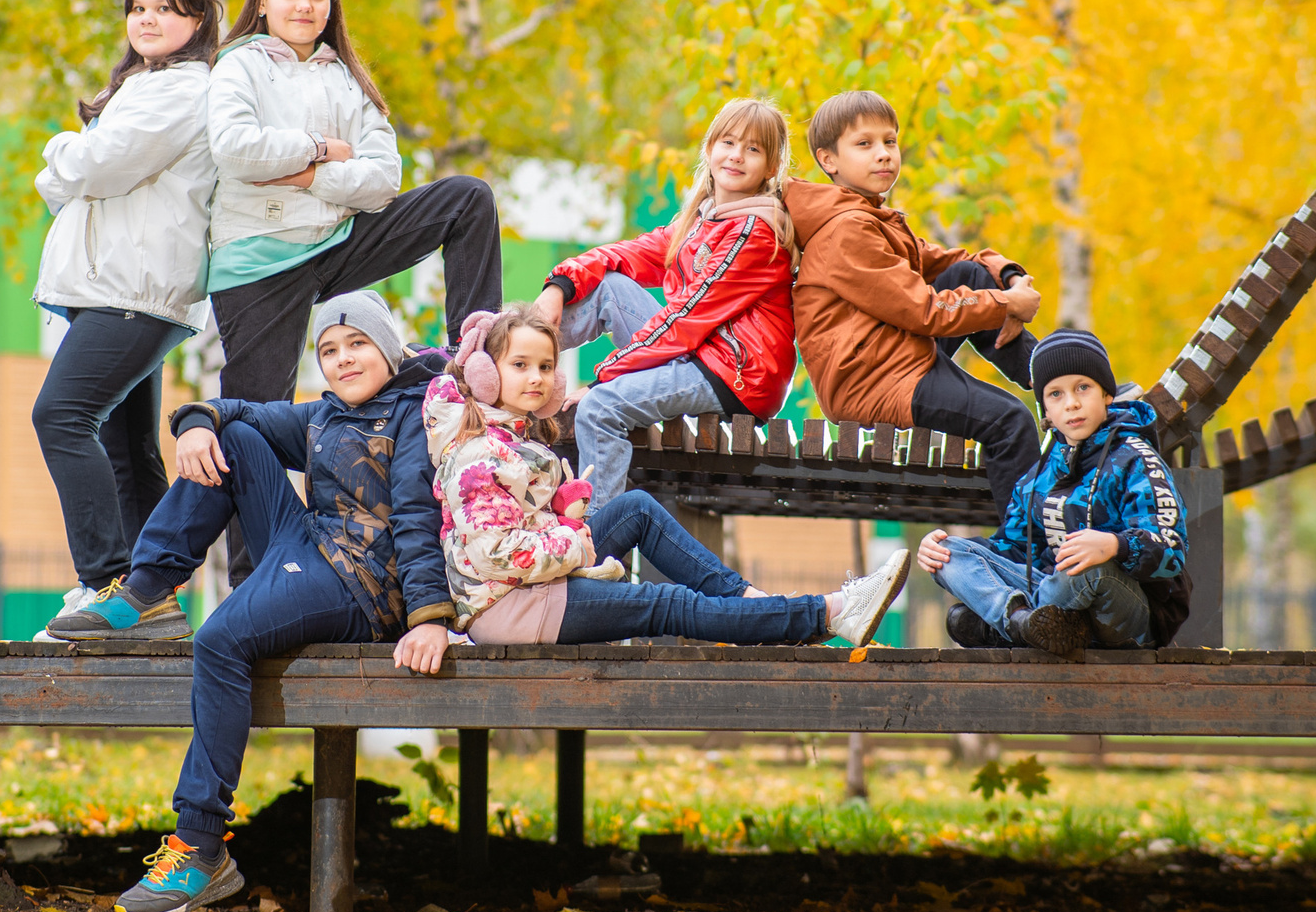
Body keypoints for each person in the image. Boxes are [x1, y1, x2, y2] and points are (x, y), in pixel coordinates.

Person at [48, 293, 455, 912]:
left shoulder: (410, 415)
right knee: (234, 435)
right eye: (328, 351)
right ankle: (149, 589)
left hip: (362, 583)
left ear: (389, 348)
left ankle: (202, 847)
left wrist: (430, 616)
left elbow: (416, 519)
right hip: (311, 548)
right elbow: (235, 409)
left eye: (357, 345)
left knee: (219, 640)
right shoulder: (321, 419)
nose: (343, 360)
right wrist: (196, 422)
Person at [205, 0, 502, 578]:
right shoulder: (238, 66)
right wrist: (323, 149)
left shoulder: (344, 74)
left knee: (467, 200)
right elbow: (234, 150)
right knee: (253, 424)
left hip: (336, 237)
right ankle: (253, 584)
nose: (304, 5)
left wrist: (308, 176)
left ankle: (478, 357)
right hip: (262, 260)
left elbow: (383, 177)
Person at [425, 304, 911, 648]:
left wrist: (560, 518)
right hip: (511, 607)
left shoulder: (513, 438)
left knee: (636, 508)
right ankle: (826, 613)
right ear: (486, 374)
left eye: (546, 367)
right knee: (667, 603)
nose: (537, 378)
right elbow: (493, 555)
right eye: (521, 365)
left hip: (532, 585)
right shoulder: (478, 454)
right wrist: (571, 542)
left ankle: (750, 604)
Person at [28, 0, 221, 639]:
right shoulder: (146, 84)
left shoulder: (181, 88)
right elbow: (80, 178)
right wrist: (77, 163)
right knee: (125, 445)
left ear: (197, 19)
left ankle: (107, 580)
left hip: (137, 287)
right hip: (122, 285)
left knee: (60, 415)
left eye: (167, 7)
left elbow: (99, 166)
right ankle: (149, 598)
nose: (148, 18)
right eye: (139, 6)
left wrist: (62, 149)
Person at [784, 90, 1046, 520]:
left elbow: (957, 262)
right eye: (864, 144)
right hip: (871, 377)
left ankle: (1052, 381)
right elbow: (923, 311)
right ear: (828, 160)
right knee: (1009, 422)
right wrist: (1005, 304)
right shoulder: (847, 230)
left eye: (890, 141)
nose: (883, 154)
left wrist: (1010, 278)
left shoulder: (871, 217)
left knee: (971, 278)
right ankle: (1028, 553)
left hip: (895, 353)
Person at [533, 99, 797, 497]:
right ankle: (510, 360)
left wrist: (603, 378)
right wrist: (559, 287)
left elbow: (685, 322)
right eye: (728, 142)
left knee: (599, 409)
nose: (737, 156)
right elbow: (628, 254)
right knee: (609, 286)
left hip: (735, 374)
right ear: (710, 149)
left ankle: (596, 539)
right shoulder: (702, 220)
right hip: (701, 351)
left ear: (771, 167)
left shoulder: (754, 232)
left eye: (754, 149)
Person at [915, 329, 1189, 659]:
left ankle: (1008, 624)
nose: (1071, 403)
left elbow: (1172, 549)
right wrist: (949, 550)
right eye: (1055, 394)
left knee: (1083, 567)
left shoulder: (1135, 459)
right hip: (1052, 603)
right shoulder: (1039, 476)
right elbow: (1015, 549)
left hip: (1123, 609)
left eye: (1083, 388)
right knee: (948, 553)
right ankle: (1022, 621)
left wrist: (1114, 545)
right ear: (1045, 409)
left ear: (1106, 394)